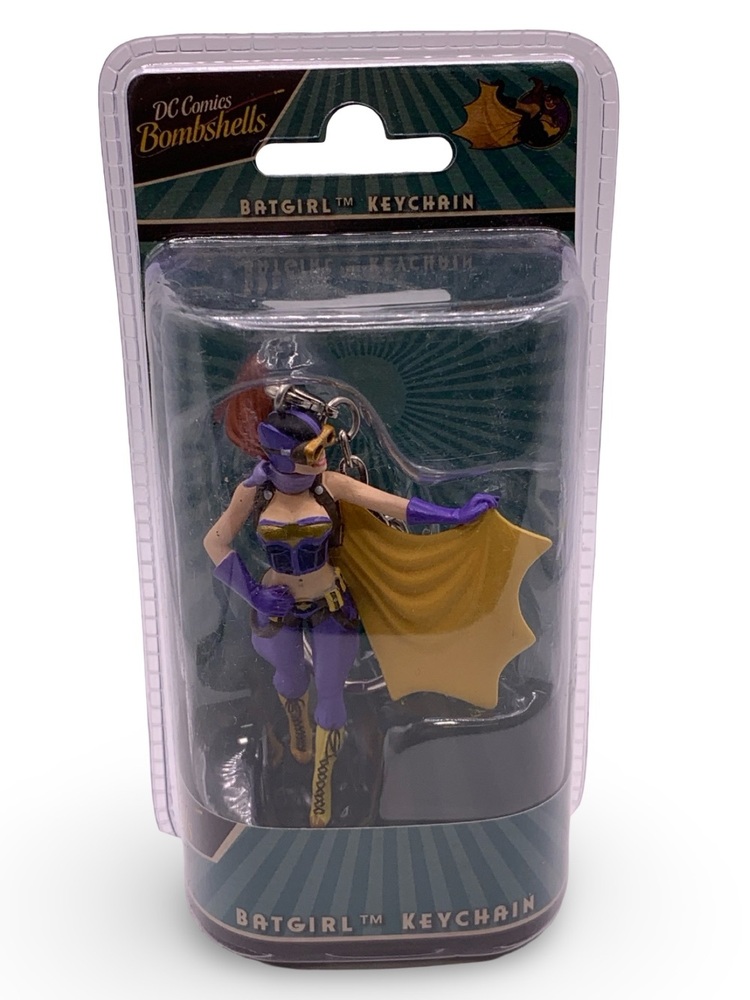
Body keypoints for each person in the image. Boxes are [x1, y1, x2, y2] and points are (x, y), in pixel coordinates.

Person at [204, 387, 498, 826]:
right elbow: (215, 541)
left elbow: (392, 505)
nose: (322, 454)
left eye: (325, 441)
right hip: (277, 606)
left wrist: (454, 516)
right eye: (312, 449)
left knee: (331, 694)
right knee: (288, 677)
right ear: (283, 455)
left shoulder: (329, 486)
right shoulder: (255, 491)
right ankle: (298, 734)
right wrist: (254, 593)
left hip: (329, 602)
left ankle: (322, 781)